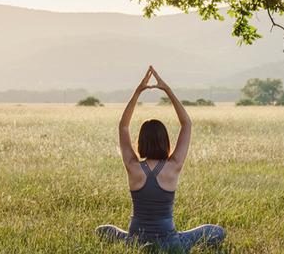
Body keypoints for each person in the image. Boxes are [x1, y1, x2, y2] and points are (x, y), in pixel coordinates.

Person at [95, 66, 225, 252]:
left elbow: (123, 126)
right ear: (165, 141)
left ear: (140, 142)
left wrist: (138, 91)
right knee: (217, 231)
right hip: (170, 243)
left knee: (103, 230)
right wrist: (167, 90)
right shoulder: (174, 166)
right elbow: (186, 124)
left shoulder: (132, 167)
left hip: (136, 242)